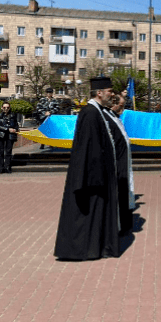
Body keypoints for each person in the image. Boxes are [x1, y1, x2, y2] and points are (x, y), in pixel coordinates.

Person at [54, 77, 122, 260]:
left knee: (96, 214)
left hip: (98, 174)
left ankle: (95, 248)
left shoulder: (98, 111)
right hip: (91, 176)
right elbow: (87, 147)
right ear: (99, 93)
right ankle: (83, 249)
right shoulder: (90, 113)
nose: (112, 94)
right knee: (86, 214)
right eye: (110, 91)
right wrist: (93, 176)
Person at [104, 93, 134, 235]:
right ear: (113, 104)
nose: (123, 109)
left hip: (124, 164)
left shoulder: (115, 117)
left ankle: (125, 222)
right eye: (121, 105)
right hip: (116, 165)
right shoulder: (107, 118)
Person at [0, 101, 19, 174]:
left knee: (8, 151)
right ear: (2, 108)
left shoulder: (13, 115)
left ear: (9, 108)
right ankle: (1, 168)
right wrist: (8, 129)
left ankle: (7, 167)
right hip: (0, 135)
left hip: (10, 136)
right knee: (1, 151)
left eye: (7, 107)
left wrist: (16, 129)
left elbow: (16, 125)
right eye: (4, 107)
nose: (6, 109)